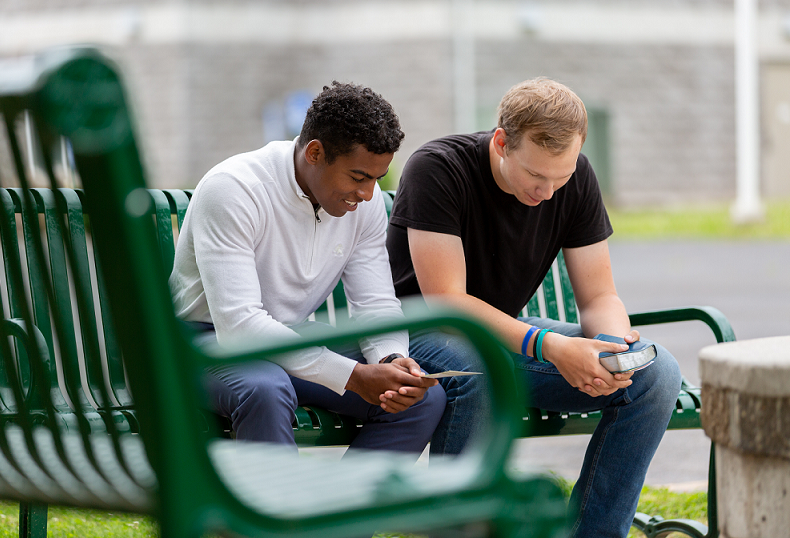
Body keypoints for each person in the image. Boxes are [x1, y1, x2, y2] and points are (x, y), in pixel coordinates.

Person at [386, 78, 683, 536]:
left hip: (505, 336)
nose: (547, 192)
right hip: (419, 334)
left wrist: (609, 346)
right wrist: (554, 347)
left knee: (655, 375)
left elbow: (600, 295)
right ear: (502, 141)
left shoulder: (576, 177)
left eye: (560, 178)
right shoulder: (438, 168)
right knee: (475, 367)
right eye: (535, 176)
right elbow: (447, 302)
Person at [169, 81, 446, 456]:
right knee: (265, 389)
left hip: (287, 335)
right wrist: (353, 377)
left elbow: (376, 304)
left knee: (419, 400)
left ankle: (343, 513)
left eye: (377, 179)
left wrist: (390, 359)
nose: (367, 195)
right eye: (358, 177)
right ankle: (274, 514)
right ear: (315, 152)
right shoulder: (233, 189)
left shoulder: (364, 206)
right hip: (202, 343)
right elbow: (238, 327)